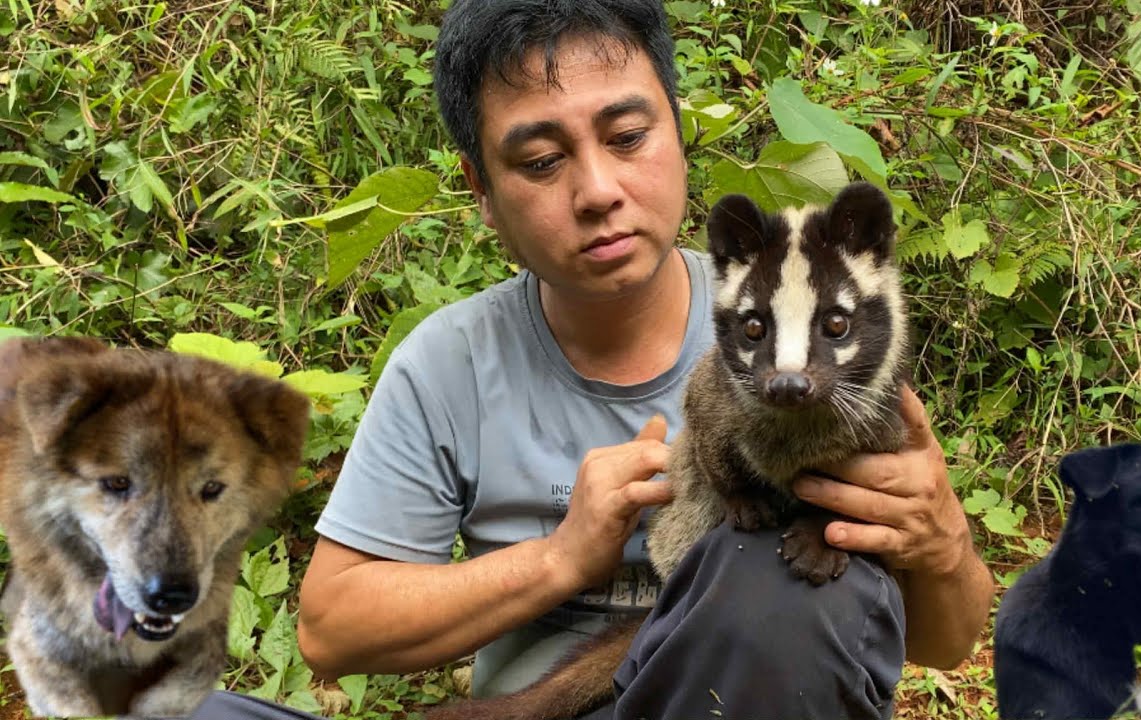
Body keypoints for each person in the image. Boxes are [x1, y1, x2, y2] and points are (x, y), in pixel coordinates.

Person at [188, 1, 994, 718]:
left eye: (628, 136)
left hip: (740, 689)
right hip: (549, 701)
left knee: (774, 588)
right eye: (541, 161)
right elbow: (332, 628)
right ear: (481, 190)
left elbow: (948, 644)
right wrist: (562, 559)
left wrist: (942, 540)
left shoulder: (805, 313)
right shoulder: (450, 361)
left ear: (679, 135)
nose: (598, 190)